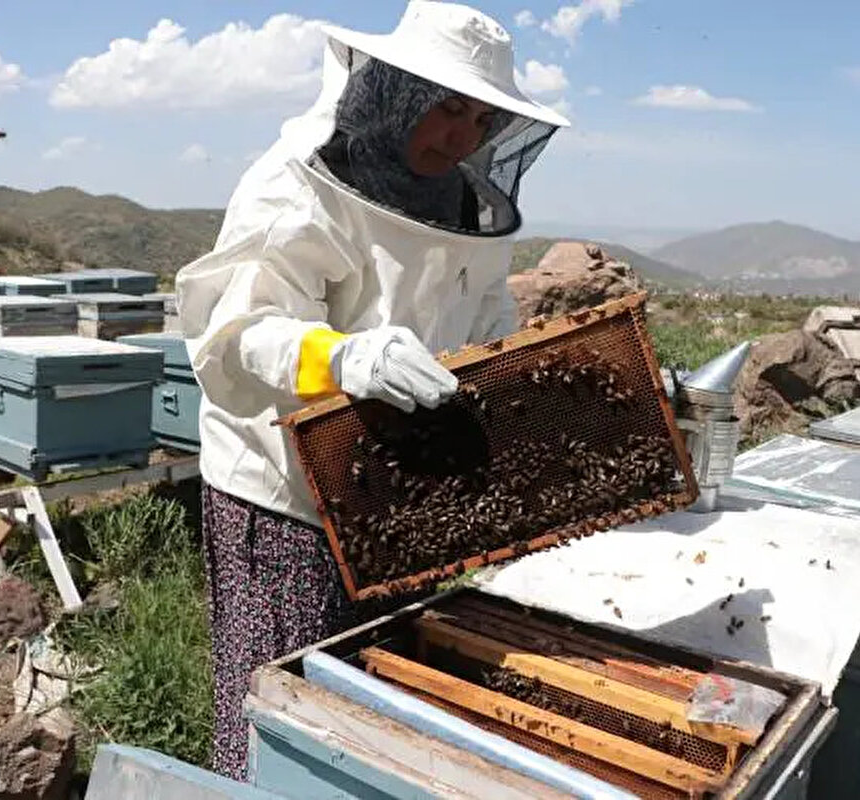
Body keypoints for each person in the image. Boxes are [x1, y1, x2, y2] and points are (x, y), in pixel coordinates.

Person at [176, 0, 569, 778]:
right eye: (447, 108)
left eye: (482, 119)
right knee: (277, 712)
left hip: (401, 496)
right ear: (393, 91)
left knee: (373, 709)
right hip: (287, 499)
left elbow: (489, 320)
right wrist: (340, 357)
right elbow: (237, 331)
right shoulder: (296, 184)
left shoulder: (468, 204)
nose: (461, 137)